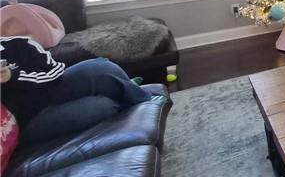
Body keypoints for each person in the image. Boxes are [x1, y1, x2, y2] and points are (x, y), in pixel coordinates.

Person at [0, 36, 167, 142]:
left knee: (101, 67)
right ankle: (125, 85)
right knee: (103, 106)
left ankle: (142, 97)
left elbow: (55, 71)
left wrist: (14, 76)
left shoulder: (19, 44)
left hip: (52, 89)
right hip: (29, 119)